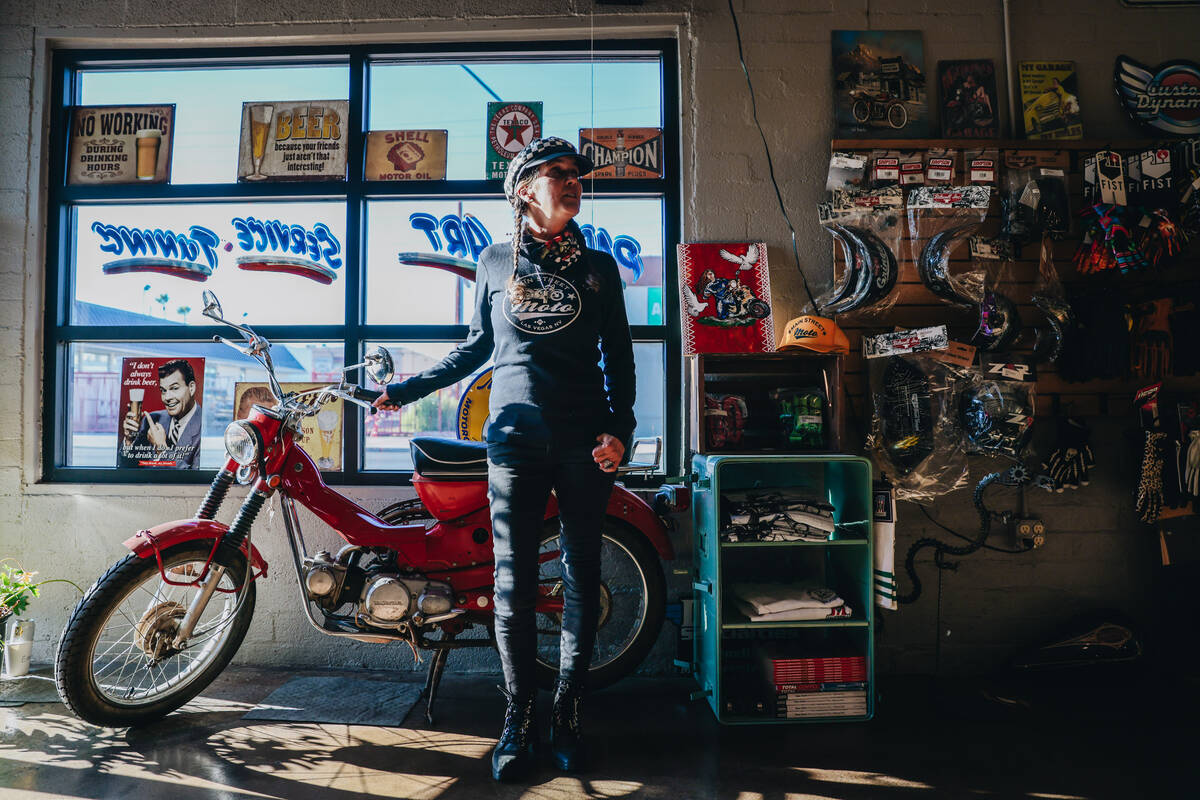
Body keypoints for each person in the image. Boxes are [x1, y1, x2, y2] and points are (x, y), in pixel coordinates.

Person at [373, 137, 635, 782]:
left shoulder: (599, 268)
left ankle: (568, 711)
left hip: (583, 444)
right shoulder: (494, 262)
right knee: (512, 584)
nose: (571, 182)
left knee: (579, 579)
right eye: (556, 174)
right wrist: (405, 390)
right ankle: (519, 715)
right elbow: (474, 351)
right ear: (524, 189)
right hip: (513, 441)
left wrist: (619, 430)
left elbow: (621, 359)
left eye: (575, 174)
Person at [120, 359, 203, 469]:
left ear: (191, 388)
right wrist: (129, 441)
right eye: (163, 390)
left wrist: (162, 450)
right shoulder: (152, 420)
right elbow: (127, 468)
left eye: (174, 388)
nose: (167, 397)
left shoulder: (205, 429)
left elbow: (195, 480)